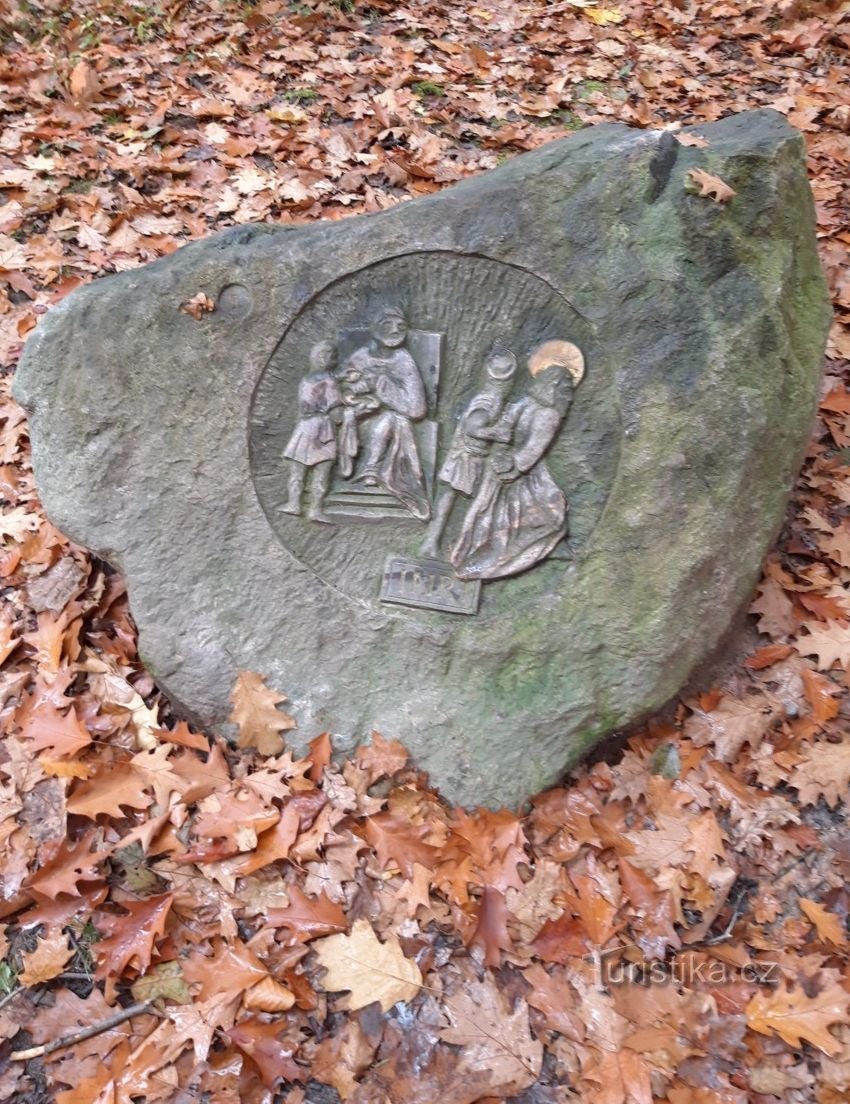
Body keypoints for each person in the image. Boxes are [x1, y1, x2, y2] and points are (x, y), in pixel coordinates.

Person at [450, 341, 583, 580]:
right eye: (565, 388)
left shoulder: (525, 403)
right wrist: (512, 465)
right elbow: (531, 448)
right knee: (548, 518)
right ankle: (490, 559)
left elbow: (511, 429)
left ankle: (473, 556)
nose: (569, 396)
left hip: (507, 468)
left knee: (488, 512)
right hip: (522, 475)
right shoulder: (549, 414)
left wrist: (505, 459)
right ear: (553, 386)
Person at [420, 342, 517, 560]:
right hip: (466, 457)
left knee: (453, 499)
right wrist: (497, 434)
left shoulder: (495, 400)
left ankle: (440, 542)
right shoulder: (487, 401)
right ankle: (434, 542)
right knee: (452, 499)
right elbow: (473, 429)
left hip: (474, 457)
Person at [341, 305, 430, 520]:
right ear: (374, 328)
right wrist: (357, 400)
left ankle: (374, 471)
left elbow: (417, 409)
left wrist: (383, 386)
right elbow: (342, 389)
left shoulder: (404, 361)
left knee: (395, 420)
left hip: (392, 427)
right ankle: (360, 470)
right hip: (358, 423)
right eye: (387, 325)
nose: (394, 330)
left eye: (401, 326)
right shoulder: (360, 357)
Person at [280, 340, 341, 524]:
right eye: (324, 354)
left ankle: (297, 504)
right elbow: (337, 412)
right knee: (318, 471)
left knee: (301, 470)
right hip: (320, 430)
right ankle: (312, 508)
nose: (327, 358)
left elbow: (303, 406)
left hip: (305, 428)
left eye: (330, 354)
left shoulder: (307, 380)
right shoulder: (330, 381)